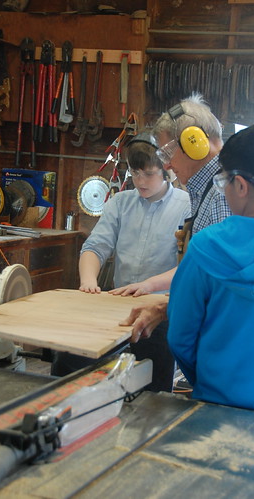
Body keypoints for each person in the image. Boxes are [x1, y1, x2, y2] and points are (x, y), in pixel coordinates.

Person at [167, 123, 254, 417]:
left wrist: (207, 382)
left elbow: (180, 338)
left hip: (216, 409)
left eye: (223, 181)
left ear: (240, 185)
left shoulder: (203, 248)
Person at [51, 131, 192, 390]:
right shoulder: (120, 202)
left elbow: (189, 267)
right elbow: (95, 246)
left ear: (166, 171)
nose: (140, 181)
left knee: (151, 388)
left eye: (148, 173)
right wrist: (89, 282)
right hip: (117, 307)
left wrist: (149, 285)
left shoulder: (187, 205)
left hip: (160, 312)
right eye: (135, 173)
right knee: (71, 366)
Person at [115, 94, 231, 342]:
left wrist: (164, 308)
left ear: (195, 143)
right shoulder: (206, 190)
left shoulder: (221, 193)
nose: (166, 166)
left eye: (168, 153)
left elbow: (221, 282)